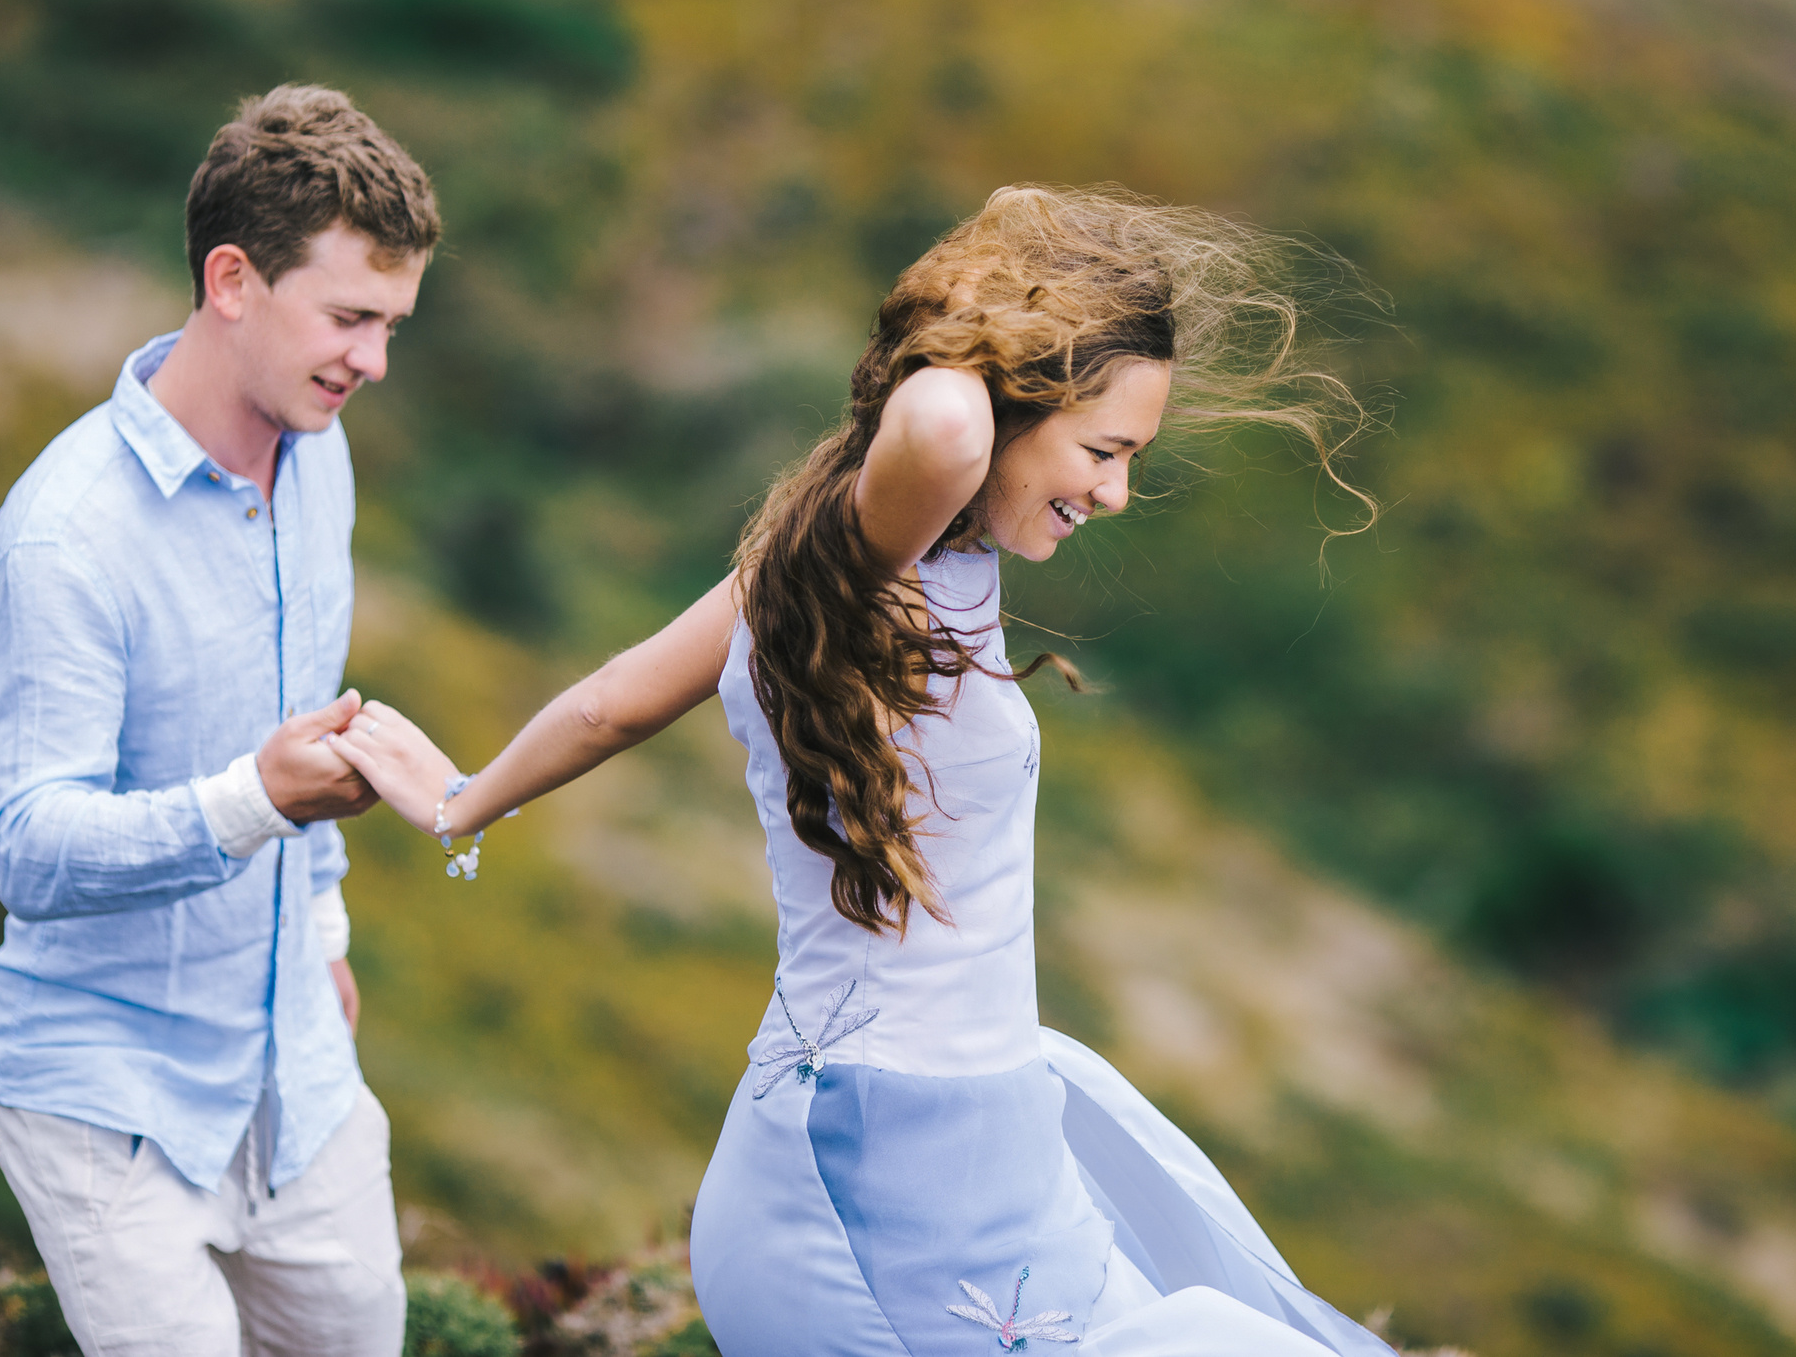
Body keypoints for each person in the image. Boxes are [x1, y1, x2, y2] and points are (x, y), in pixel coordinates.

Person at [331, 186, 1392, 1354]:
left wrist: (461, 800)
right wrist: (988, 291)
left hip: (978, 1142)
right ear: (1008, 398)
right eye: (1102, 450)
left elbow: (610, 701)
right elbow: (939, 426)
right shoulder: (856, 563)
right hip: (881, 1169)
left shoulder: (878, 563)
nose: (1115, 492)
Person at [0, 85, 437, 1357]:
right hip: (103, 1096)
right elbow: (24, 846)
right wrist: (255, 803)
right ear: (232, 280)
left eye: (392, 324)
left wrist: (324, 925)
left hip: (297, 1069)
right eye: (349, 318)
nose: (374, 363)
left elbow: (303, 714)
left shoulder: (320, 451)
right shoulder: (69, 535)